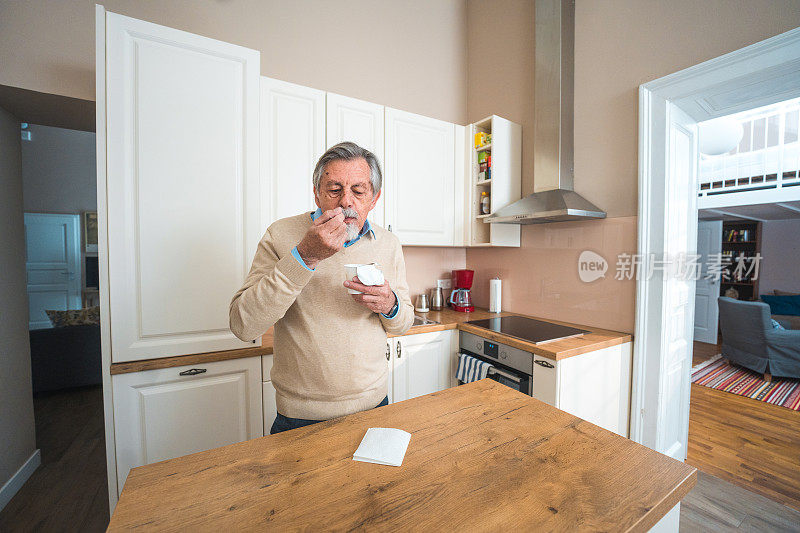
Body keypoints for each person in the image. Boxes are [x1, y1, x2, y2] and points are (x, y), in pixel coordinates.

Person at [229, 142, 413, 434]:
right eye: (334, 189)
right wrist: (305, 256)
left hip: (375, 406)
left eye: (358, 191)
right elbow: (243, 324)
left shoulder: (388, 244)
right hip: (299, 416)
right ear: (317, 193)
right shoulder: (281, 235)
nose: (346, 202)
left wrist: (390, 304)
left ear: (374, 198)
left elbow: (404, 323)